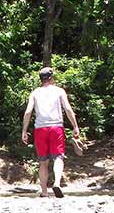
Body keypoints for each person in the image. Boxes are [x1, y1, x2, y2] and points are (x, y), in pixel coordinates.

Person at [22, 66, 81, 198]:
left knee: (43, 161)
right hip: (56, 128)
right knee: (58, 157)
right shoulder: (59, 91)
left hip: (40, 129)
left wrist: (24, 130)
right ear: (52, 78)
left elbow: (28, 112)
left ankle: (44, 192)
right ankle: (57, 183)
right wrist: (75, 126)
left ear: (40, 79)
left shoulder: (35, 93)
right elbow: (68, 109)